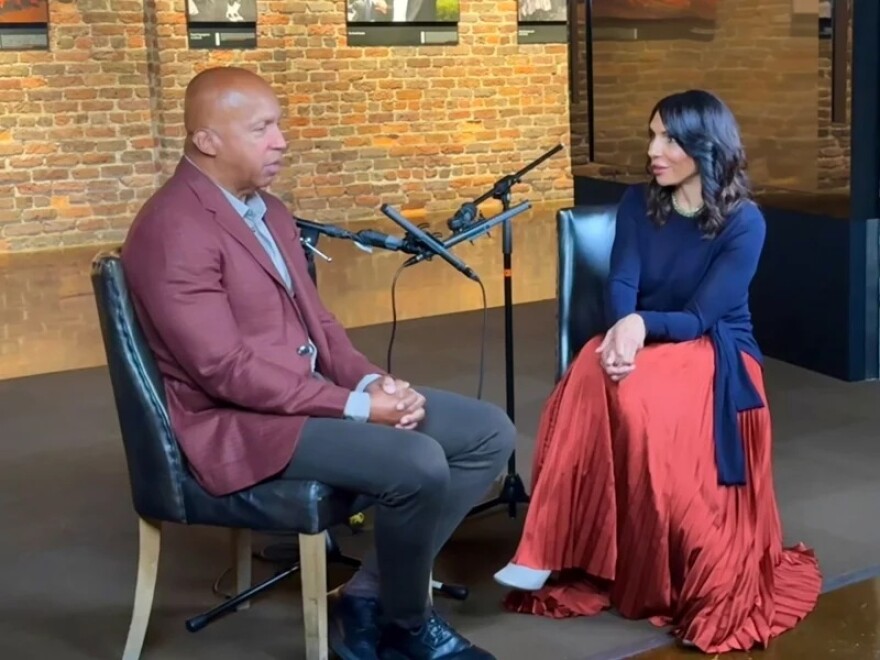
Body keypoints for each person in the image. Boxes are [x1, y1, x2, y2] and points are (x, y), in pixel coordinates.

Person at [121, 65, 516, 660]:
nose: (281, 139)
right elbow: (223, 370)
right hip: (237, 425)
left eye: (277, 124)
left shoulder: (270, 210)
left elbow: (320, 324)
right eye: (262, 128)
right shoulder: (172, 229)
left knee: (488, 432)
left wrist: (368, 379)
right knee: (418, 462)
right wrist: (358, 407)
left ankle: (368, 593)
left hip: (300, 400)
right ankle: (407, 628)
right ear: (207, 141)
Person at [492, 90, 822, 653]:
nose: (654, 150)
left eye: (668, 138)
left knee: (639, 396)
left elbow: (700, 316)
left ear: (704, 145)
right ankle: (551, 547)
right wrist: (623, 332)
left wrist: (640, 326)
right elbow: (621, 280)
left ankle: (663, 555)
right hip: (641, 334)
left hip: (715, 347)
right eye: (652, 135)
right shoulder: (637, 202)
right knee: (589, 378)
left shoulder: (746, 223)